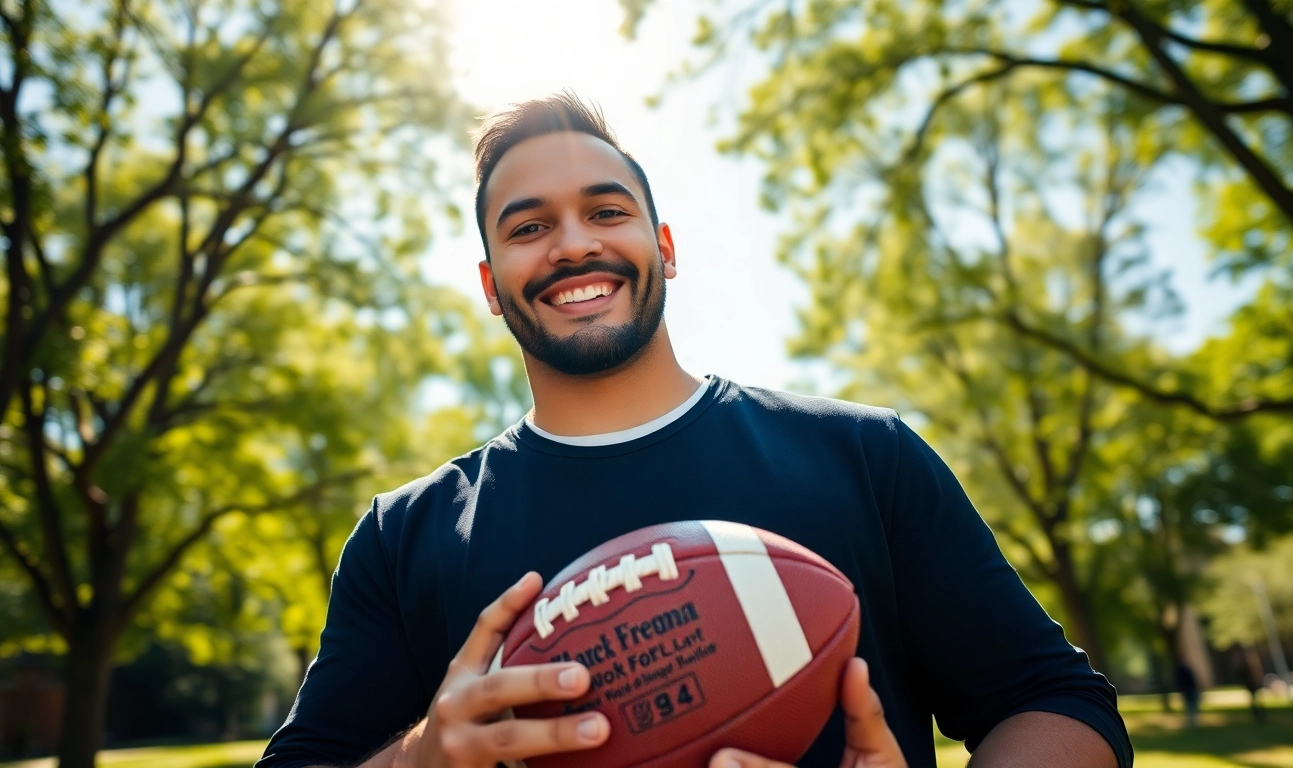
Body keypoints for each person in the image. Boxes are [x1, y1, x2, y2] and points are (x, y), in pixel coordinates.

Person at [257, 93, 1131, 768]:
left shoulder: (864, 455)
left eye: (606, 212)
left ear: (664, 247)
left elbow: (1060, 704)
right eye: (529, 228)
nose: (571, 245)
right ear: (491, 285)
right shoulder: (404, 535)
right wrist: (422, 758)